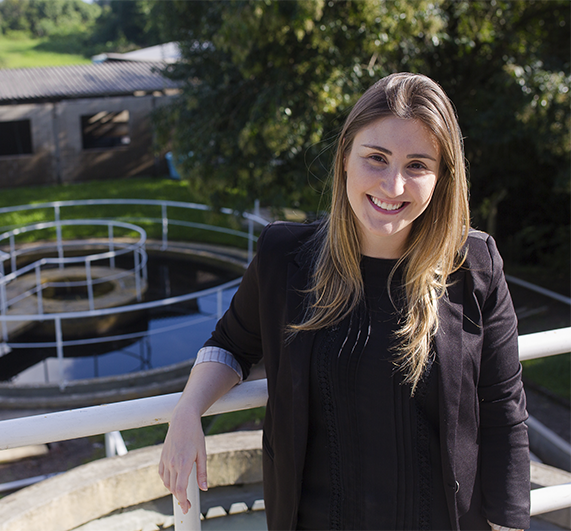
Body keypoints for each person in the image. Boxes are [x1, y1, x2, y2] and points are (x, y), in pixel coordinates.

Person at [158, 73, 530, 531]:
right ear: (345, 160)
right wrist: (187, 410)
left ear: (441, 179)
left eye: (417, 165)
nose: (393, 185)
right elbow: (232, 344)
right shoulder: (285, 257)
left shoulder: (475, 267)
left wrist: (509, 525)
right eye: (376, 158)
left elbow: (503, 408)